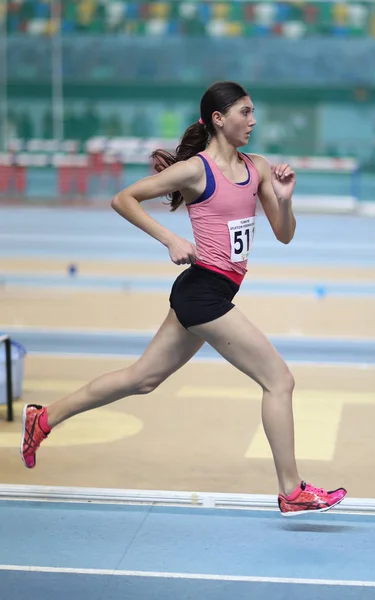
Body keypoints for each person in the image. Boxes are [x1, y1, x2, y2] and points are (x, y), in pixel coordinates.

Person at [21, 81, 347, 517]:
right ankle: (292, 491)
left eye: (253, 113)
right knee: (279, 380)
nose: (252, 121)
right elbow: (124, 199)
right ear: (218, 118)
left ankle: (43, 418)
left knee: (142, 378)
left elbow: (284, 235)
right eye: (244, 112)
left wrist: (285, 202)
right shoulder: (196, 170)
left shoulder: (259, 168)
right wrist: (170, 238)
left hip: (211, 291)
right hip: (203, 293)